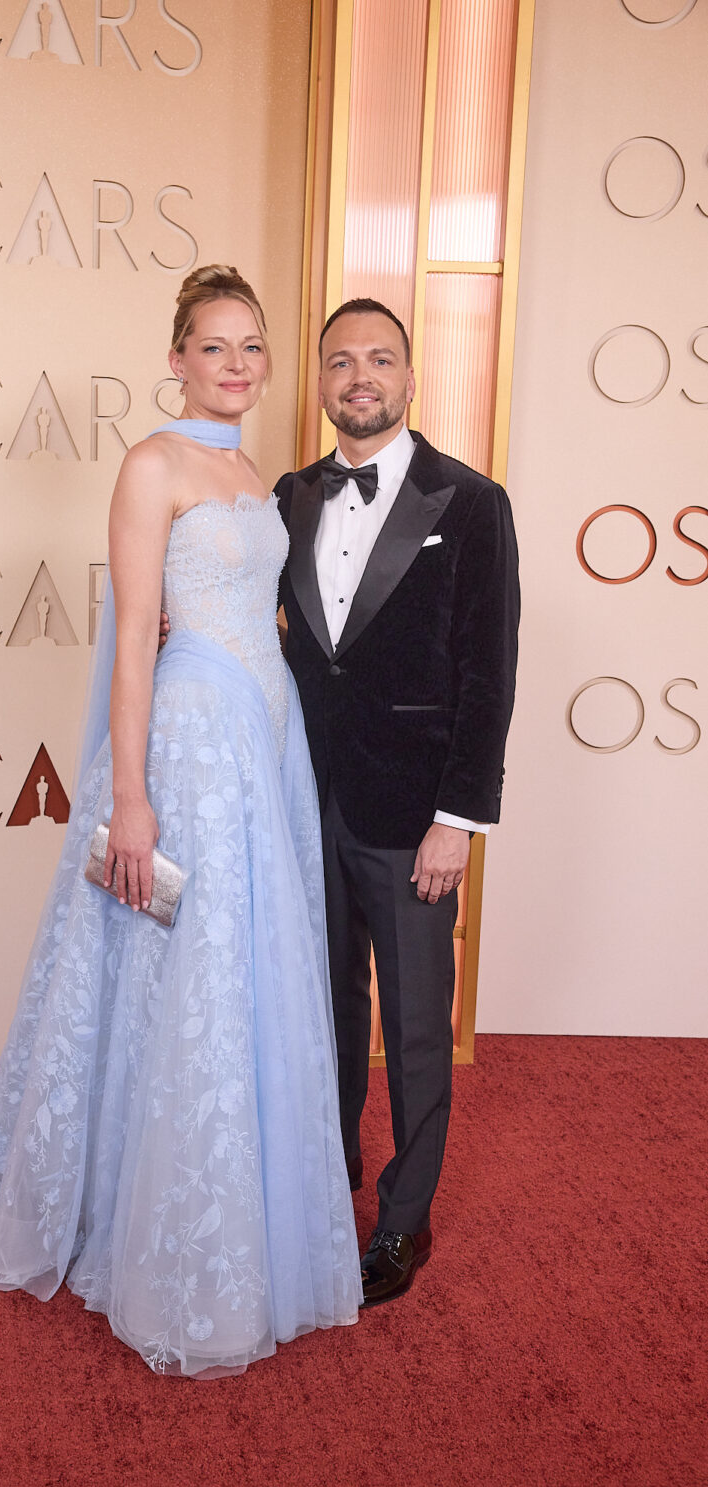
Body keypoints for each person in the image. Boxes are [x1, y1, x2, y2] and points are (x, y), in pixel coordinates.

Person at [0, 266, 362, 1377]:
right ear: (175, 358)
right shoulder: (152, 464)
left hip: (262, 740)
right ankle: (152, 1230)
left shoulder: (256, 475)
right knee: (184, 968)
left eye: (251, 346)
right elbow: (134, 636)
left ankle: (241, 1212)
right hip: (187, 743)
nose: (235, 364)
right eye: (212, 345)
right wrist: (129, 797)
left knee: (241, 972)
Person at [275, 298, 519, 1307]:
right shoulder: (289, 496)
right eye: (340, 361)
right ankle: (323, 1180)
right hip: (304, 801)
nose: (359, 377)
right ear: (320, 381)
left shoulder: (471, 503)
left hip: (414, 816)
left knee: (416, 1027)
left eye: (379, 359)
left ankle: (403, 1221)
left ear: (410, 379)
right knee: (319, 1009)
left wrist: (456, 821)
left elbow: (486, 675)